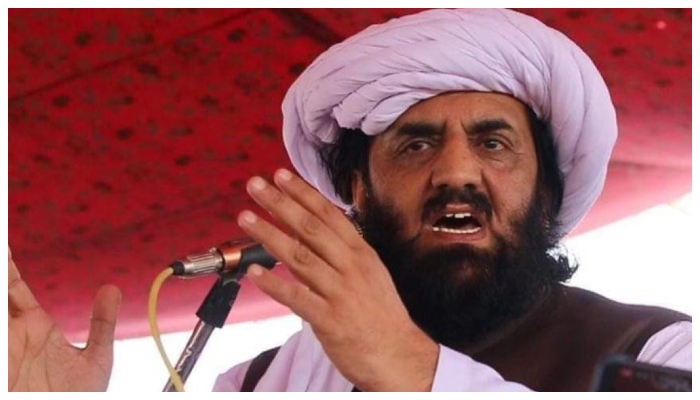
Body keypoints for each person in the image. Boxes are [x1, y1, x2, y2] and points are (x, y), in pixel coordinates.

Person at [8, 8, 691, 392]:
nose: (457, 172)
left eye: (493, 143)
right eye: (415, 145)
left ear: (545, 191)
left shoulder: (660, 351)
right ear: (357, 192)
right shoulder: (264, 383)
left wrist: (409, 368)